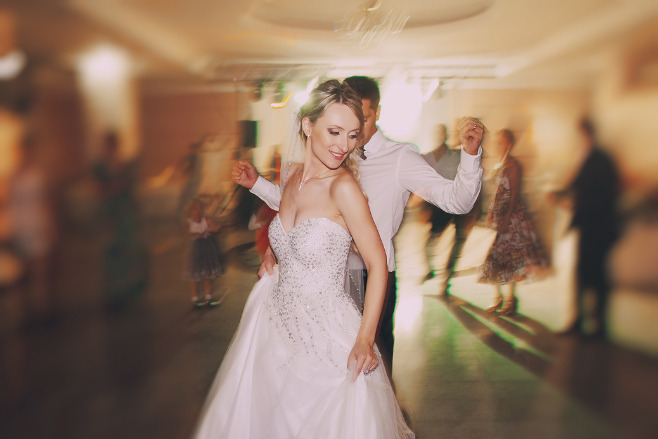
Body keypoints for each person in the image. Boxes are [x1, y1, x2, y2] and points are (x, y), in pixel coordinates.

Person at [194, 80, 414, 438]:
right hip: (277, 328)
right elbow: (293, 219)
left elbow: (377, 265)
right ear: (307, 125)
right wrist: (275, 251)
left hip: (326, 335)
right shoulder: (293, 175)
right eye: (335, 131)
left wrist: (364, 338)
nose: (344, 145)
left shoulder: (344, 189)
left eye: (353, 135)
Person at [235, 76, 484, 375]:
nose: (346, 142)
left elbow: (457, 201)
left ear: (376, 113)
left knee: (370, 370)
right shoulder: (323, 156)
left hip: (370, 278)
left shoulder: (399, 158)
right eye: (339, 127)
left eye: (359, 121)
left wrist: (469, 158)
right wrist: (264, 204)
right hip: (317, 277)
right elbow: (305, 209)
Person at [555, 118, 619, 337]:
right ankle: (585, 322)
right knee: (586, 273)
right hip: (593, 223)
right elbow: (579, 185)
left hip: (597, 224)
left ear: (585, 132)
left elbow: (595, 190)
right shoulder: (592, 157)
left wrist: (567, 197)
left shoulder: (598, 158)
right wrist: (563, 195)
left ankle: (596, 325)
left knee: (595, 274)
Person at [478, 129, 550, 315]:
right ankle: (498, 298)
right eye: (496, 142)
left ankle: (509, 300)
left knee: (508, 260)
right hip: (499, 216)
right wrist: (491, 214)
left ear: (508, 143)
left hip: (511, 219)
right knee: (493, 260)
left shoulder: (513, 165)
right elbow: (496, 191)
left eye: (500, 142)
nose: (497, 145)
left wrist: (506, 219)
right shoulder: (499, 164)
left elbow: (513, 194)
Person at [421, 123, 482, 294]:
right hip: (439, 205)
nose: (439, 136)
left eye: (442, 133)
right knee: (429, 243)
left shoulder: (456, 155)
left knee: (458, 241)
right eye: (436, 133)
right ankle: (431, 269)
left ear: (446, 136)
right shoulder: (428, 158)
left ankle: (446, 279)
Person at [185, 198, 223, 309]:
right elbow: (188, 235)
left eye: (200, 208)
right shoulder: (188, 223)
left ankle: (208, 296)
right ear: (191, 211)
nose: (198, 211)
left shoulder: (205, 220)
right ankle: (194, 298)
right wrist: (199, 233)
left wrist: (213, 227)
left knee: (207, 274)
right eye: (195, 209)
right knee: (194, 275)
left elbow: (217, 227)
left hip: (206, 249)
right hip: (194, 251)